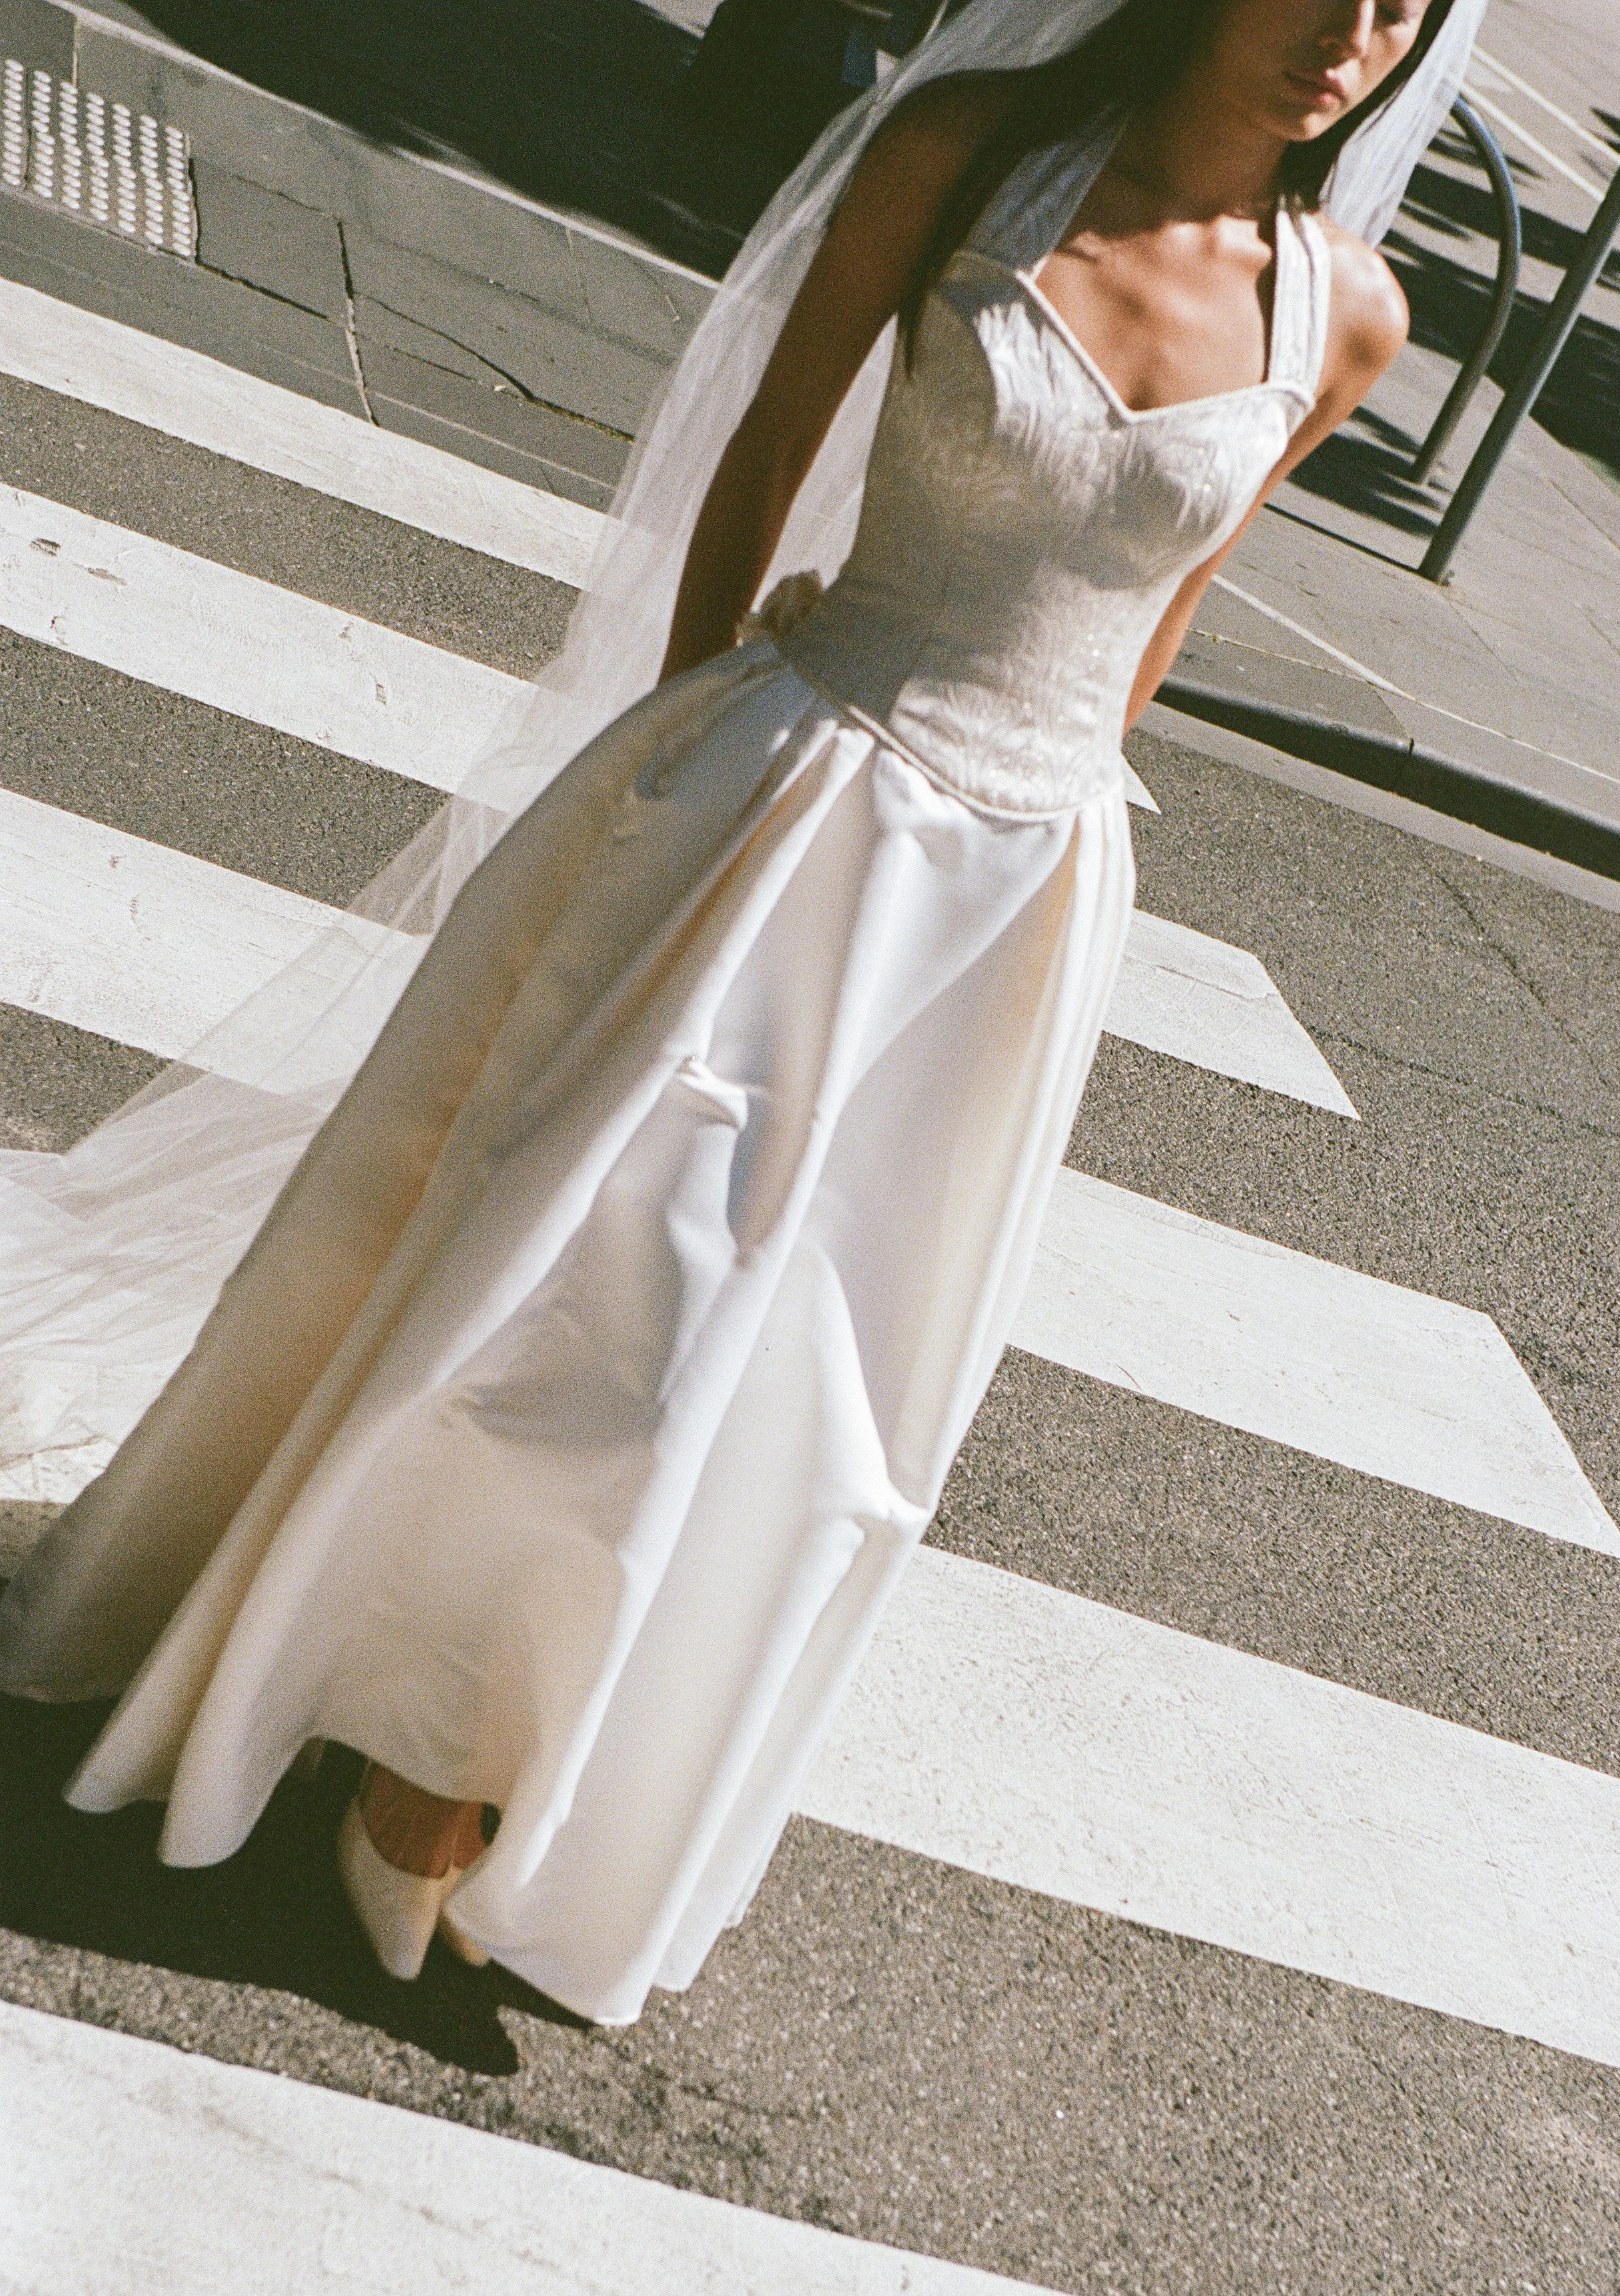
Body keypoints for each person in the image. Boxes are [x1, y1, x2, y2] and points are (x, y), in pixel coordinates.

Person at [0, 0, 1481, 2020]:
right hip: (788, 806)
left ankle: (524, 1761)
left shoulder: (1348, 314)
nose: (1356, 32)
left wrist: (1053, 829)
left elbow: (1165, 612)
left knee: (814, 1398)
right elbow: (762, 451)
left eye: (1404, 0)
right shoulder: (963, 151)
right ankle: (404, 1747)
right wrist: (683, 759)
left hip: (1013, 910)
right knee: (613, 1294)